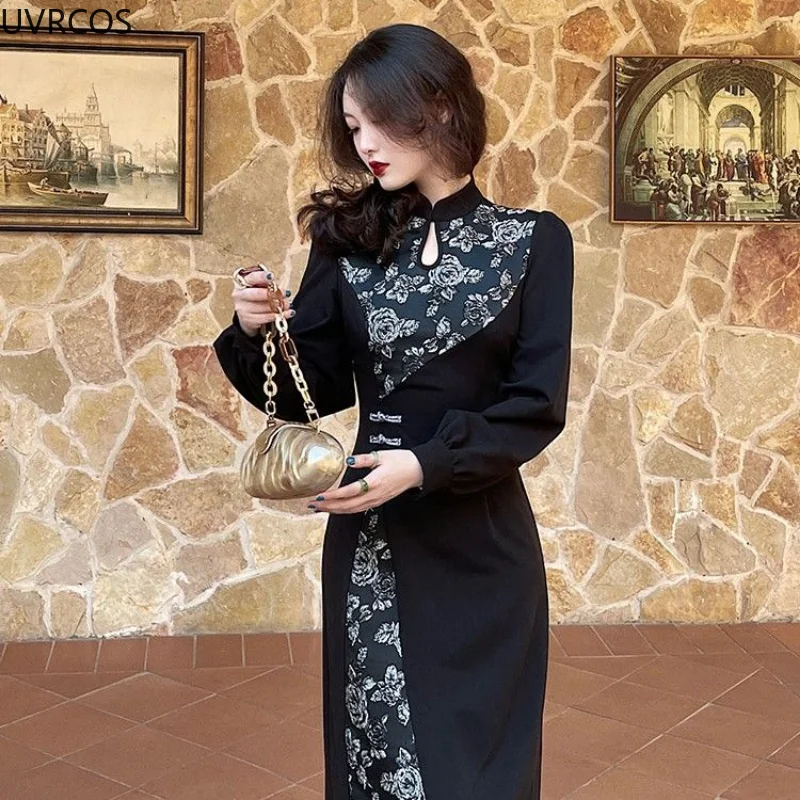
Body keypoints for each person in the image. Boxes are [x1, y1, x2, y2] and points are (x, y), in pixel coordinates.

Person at [213, 23, 574, 800]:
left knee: (483, 770)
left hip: (484, 547)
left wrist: (424, 465)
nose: (365, 144)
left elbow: (535, 406)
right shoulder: (345, 241)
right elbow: (312, 386)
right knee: (379, 763)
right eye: (352, 128)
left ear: (438, 106)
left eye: (377, 120)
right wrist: (254, 329)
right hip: (375, 546)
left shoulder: (535, 242)